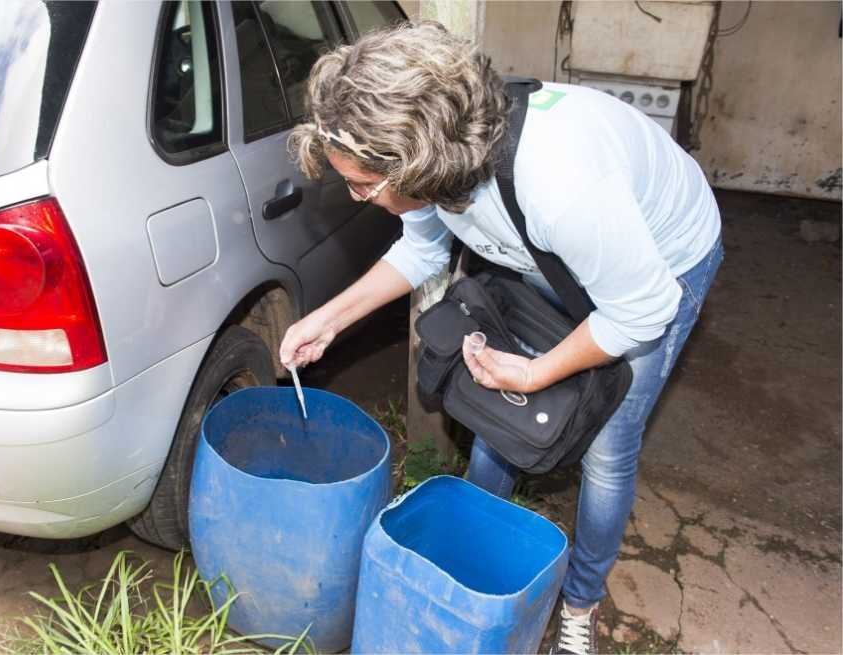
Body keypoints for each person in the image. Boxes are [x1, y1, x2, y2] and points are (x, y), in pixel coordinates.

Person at [278, 21, 722, 655]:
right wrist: (329, 318)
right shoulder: (440, 158)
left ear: (417, 163)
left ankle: (580, 600)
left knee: (607, 444)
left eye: (362, 187)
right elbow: (420, 251)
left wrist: (538, 373)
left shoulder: (561, 184)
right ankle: (468, 548)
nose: (356, 198)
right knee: (500, 410)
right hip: (553, 255)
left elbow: (641, 311)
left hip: (660, 265)